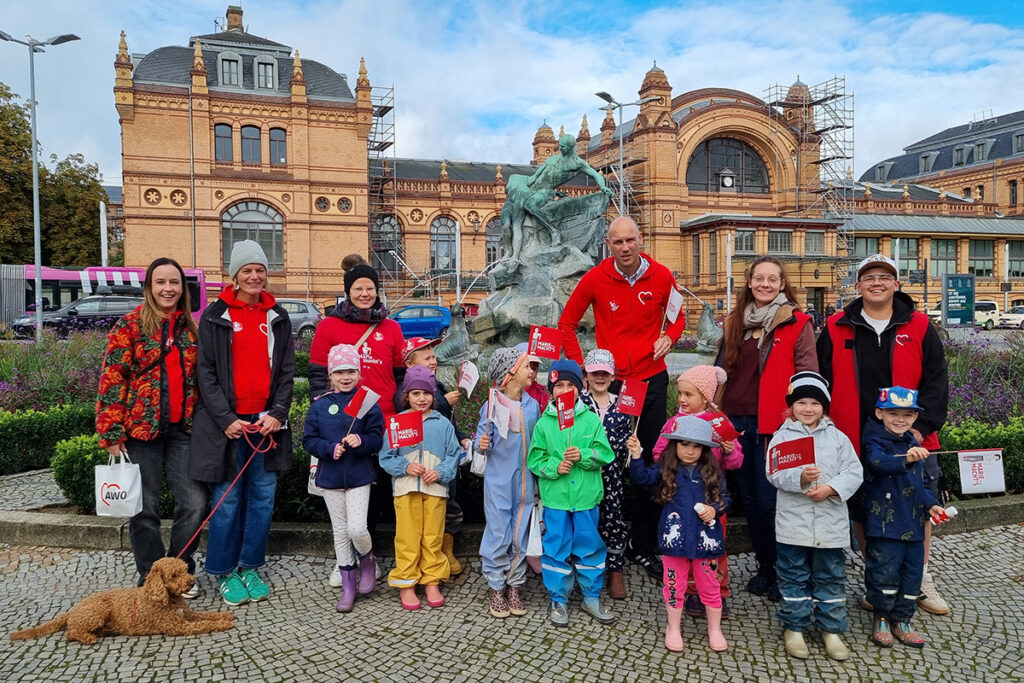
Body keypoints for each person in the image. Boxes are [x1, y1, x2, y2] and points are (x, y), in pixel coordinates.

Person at [817, 254, 950, 615]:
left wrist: (922, 430)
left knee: (917, 506)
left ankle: (920, 580)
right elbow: (820, 381)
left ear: (896, 284)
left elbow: (937, 379)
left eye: (884, 276)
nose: (876, 283)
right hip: (854, 439)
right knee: (863, 508)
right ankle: (877, 579)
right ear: (857, 285)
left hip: (911, 439)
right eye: (868, 277)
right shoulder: (835, 326)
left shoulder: (919, 325)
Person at [558, 216, 688, 578]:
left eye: (631, 240)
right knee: (604, 464)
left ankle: (643, 545)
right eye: (618, 242)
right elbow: (567, 324)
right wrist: (583, 367)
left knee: (650, 462)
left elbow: (678, 316)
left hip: (651, 379)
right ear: (608, 244)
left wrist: (671, 337)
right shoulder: (596, 278)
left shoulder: (661, 276)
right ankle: (601, 545)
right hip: (611, 385)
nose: (626, 248)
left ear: (640, 238)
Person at [189, 240, 294, 606]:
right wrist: (226, 418)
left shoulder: (277, 316)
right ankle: (223, 569)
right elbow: (206, 373)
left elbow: (285, 371)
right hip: (229, 425)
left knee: (263, 499)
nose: (254, 276)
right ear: (234, 275)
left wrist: (278, 413)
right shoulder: (216, 315)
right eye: (247, 270)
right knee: (228, 500)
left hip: (266, 422)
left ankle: (249, 565)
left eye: (260, 270)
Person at [95, 257, 207, 593]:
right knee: (144, 509)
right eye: (161, 282)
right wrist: (111, 432)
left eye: (174, 283)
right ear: (149, 287)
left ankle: (178, 570)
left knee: (195, 503)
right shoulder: (129, 327)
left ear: (182, 289)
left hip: (182, 432)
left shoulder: (190, 330)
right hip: (141, 432)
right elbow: (112, 379)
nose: (168, 289)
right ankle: (151, 577)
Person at [716, 255, 816, 602]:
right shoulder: (735, 322)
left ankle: (785, 570)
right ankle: (765, 566)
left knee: (775, 501)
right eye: (759, 278)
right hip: (737, 422)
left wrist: (797, 413)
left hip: (776, 425)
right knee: (753, 501)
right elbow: (719, 372)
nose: (765, 284)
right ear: (750, 282)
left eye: (772, 279)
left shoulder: (796, 322)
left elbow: (807, 374)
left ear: (782, 284)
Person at [309, 263, 405, 585]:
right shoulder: (329, 326)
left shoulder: (391, 327)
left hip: (383, 421)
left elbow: (400, 376)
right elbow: (317, 377)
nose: (365, 294)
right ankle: (345, 560)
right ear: (348, 291)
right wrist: (324, 420)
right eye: (358, 288)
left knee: (375, 495)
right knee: (341, 493)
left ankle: (368, 557)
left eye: (370, 288)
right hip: (342, 426)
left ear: (377, 291)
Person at [766, 372, 863, 661]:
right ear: (791, 406)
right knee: (793, 575)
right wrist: (800, 477)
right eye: (801, 403)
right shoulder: (781, 437)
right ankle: (794, 626)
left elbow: (854, 471)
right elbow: (773, 473)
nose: (808, 409)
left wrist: (832, 488)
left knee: (830, 576)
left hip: (829, 523)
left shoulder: (838, 438)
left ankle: (831, 628)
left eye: (814, 403)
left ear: (824, 407)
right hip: (792, 524)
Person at [629, 416, 730, 652]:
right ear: (674, 445)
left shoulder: (712, 472)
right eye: (684, 444)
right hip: (674, 541)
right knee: (674, 584)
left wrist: (713, 509)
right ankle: (673, 627)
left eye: (696, 446)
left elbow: (725, 499)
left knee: (709, 585)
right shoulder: (666, 469)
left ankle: (714, 629)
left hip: (705, 542)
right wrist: (636, 454)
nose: (690, 451)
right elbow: (641, 478)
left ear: (704, 449)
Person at [527, 359, 616, 627]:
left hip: (586, 498)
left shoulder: (590, 421)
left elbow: (606, 453)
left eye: (570, 385)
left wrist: (585, 454)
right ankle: (559, 597)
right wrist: (555, 466)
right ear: (551, 389)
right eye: (559, 385)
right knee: (556, 549)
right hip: (556, 500)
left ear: (581, 387)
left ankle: (591, 595)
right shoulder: (544, 424)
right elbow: (535, 460)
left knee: (590, 547)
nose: (564, 390)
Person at [862, 386, 951, 648]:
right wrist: (906, 459)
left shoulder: (913, 442)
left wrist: (932, 505)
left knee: (912, 574)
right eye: (893, 413)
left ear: (914, 418)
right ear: (880, 413)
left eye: (907, 415)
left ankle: (902, 618)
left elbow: (921, 484)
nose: (900, 420)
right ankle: (881, 617)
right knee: (883, 573)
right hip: (884, 525)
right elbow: (877, 463)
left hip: (912, 524)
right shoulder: (874, 440)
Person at [652, 365, 743, 618]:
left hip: (712, 498)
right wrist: (674, 457)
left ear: (706, 396)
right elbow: (658, 454)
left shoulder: (720, 423)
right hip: (682, 497)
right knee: (683, 544)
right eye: (680, 393)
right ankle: (691, 594)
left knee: (713, 546)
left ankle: (715, 593)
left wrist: (728, 450)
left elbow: (735, 463)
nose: (681, 399)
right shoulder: (674, 422)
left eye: (688, 395)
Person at [302, 344, 384, 612]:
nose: (345, 377)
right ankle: (348, 588)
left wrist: (360, 440)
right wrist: (328, 449)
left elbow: (376, 438)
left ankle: (368, 558)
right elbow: (309, 440)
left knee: (357, 528)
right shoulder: (320, 405)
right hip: (331, 476)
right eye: (339, 372)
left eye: (351, 371)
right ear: (330, 375)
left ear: (359, 372)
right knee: (340, 532)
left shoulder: (368, 403)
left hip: (360, 474)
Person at [377, 366, 461, 610]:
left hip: (435, 490)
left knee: (433, 536)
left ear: (433, 395)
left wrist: (441, 472)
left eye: (425, 393)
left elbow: (454, 454)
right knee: (407, 537)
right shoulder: (397, 423)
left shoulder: (443, 424)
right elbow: (386, 457)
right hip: (406, 491)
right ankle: (406, 581)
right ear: (407, 396)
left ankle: (431, 579)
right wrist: (405, 466)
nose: (421, 399)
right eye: (415, 394)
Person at [394, 336, 472, 575]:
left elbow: (448, 423)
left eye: (434, 356)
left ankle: (445, 551)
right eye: (426, 357)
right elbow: (414, 418)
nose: (433, 361)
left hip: (445, 462)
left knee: (451, 505)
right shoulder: (405, 392)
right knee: (426, 514)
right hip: (422, 468)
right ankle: (426, 557)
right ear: (409, 363)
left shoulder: (437, 386)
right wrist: (444, 403)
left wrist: (461, 437)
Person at [474, 347, 541, 618]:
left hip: (525, 482)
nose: (532, 372)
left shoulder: (533, 405)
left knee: (520, 532)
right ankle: (495, 584)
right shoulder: (490, 406)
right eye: (527, 367)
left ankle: (514, 583)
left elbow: (539, 442)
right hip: (498, 482)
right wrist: (482, 444)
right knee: (499, 532)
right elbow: (480, 443)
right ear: (509, 373)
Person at [579, 349, 633, 600]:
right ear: (586, 375)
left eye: (605, 373)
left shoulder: (622, 406)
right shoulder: (578, 402)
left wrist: (631, 446)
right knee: (585, 520)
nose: (600, 377)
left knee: (613, 519)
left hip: (611, 476)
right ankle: (587, 569)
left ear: (612, 377)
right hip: (583, 474)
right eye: (594, 373)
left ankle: (615, 570)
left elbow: (623, 440)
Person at [514, 342, 550, 412]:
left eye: (534, 369)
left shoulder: (540, 394)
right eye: (527, 367)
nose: (531, 371)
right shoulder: (504, 390)